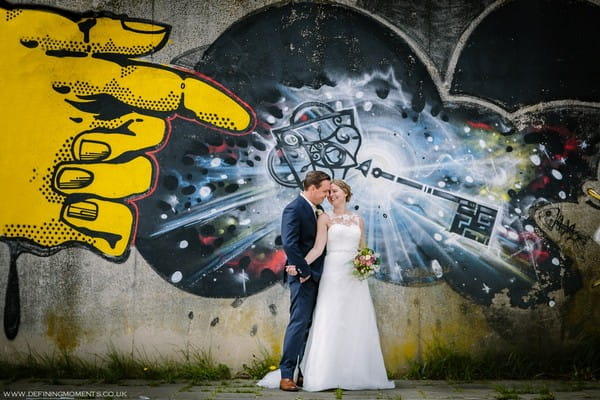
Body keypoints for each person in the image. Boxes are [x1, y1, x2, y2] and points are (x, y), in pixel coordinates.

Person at [258, 179, 394, 391]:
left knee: (355, 321)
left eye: (335, 191)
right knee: (326, 320)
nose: (330, 195)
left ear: (346, 193)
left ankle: (353, 372)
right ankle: (317, 373)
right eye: (328, 192)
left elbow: (363, 249)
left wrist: (367, 263)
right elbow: (317, 249)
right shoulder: (324, 217)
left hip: (353, 277)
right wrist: (297, 265)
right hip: (332, 273)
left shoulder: (358, 219)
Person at [277, 170, 331, 392]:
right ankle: (286, 374)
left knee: (309, 326)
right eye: (325, 190)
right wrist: (303, 270)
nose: (327, 195)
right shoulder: (294, 208)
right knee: (298, 324)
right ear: (312, 188)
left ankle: (302, 372)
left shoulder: (317, 209)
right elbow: (289, 244)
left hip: (321, 276)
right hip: (304, 276)